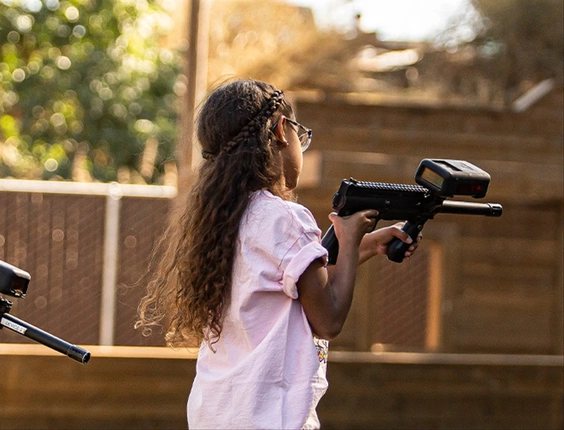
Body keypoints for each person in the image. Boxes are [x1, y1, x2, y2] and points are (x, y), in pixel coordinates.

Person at [136, 79, 420, 429]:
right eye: (303, 135)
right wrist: (347, 241)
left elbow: (295, 286)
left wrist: (364, 246)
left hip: (216, 414)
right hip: (269, 418)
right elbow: (328, 320)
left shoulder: (224, 222)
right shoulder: (285, 217)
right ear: (283, 131)